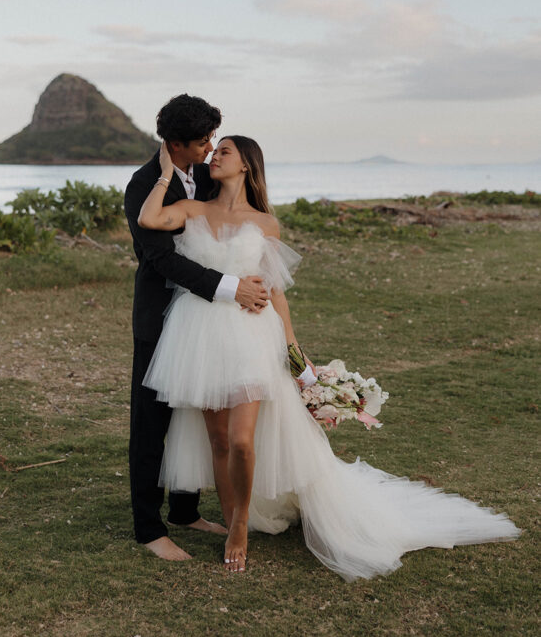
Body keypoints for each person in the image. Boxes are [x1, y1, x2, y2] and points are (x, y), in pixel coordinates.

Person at [138, 135, 521, 577]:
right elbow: (149, 217)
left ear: (246, 165)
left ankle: (241, 525)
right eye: (215, 149)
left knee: (242, 440)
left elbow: (275, 293)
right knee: (219, 440)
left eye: (225, 150)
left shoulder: (265, 223)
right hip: (200, 334)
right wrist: (166, 169)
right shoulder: (193, 210)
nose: (215, 155)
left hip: (248, 334)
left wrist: (296, 353)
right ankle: (231, 522)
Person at [124, 95, 270, 561]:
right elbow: (161, 257)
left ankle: (186, 511)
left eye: (214, 139)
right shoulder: (143, 184)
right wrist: (232, 288)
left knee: (198, 413)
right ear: (175, 144)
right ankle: (149, 528)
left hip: (208, 323)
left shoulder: (208, 175)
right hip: (161, 317)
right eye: (204, 141)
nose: (211, 148)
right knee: (151, 425)